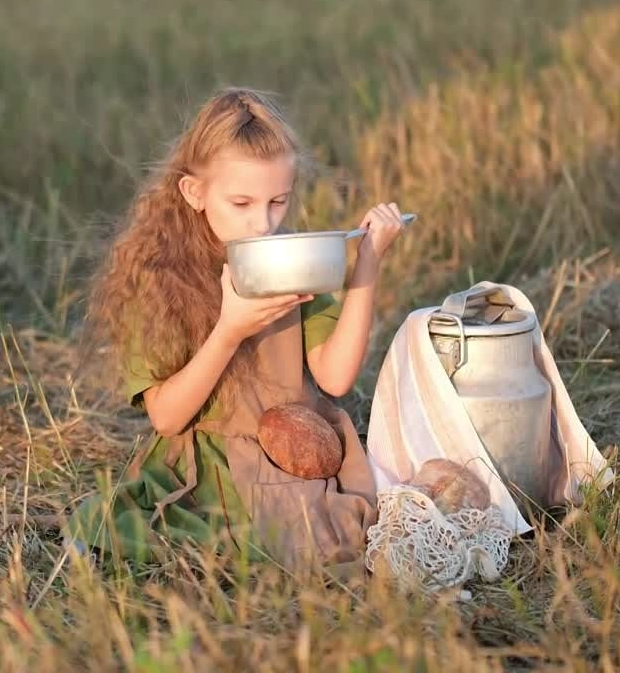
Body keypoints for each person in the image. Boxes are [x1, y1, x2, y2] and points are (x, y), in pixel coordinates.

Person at [64, 86, 405, 578]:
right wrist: (229, 331)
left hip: (294, 452)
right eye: (241, 202)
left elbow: (334, 379)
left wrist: (368, 263)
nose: (262, 223)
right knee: (221, 539)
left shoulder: (289, 259)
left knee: (338, 531)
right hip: (211, 464)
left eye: (278, 201)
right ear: (195, 192)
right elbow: (166, 417)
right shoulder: (160, 278)